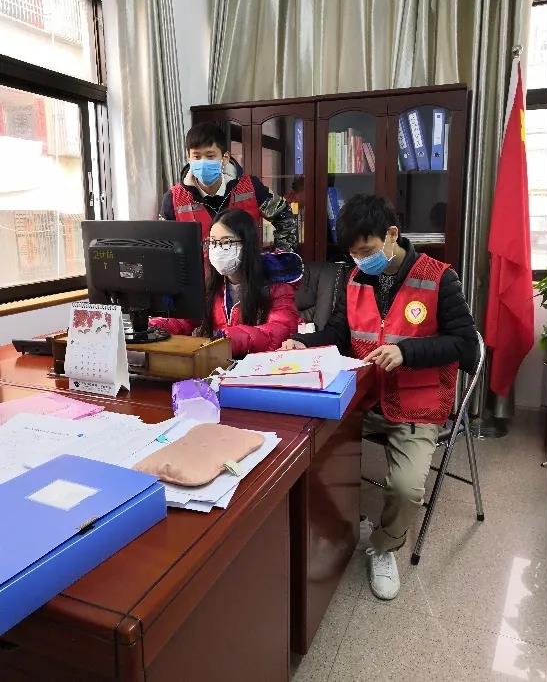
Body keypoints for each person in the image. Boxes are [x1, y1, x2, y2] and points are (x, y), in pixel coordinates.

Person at [281, 194, 477, 601]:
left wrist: (407, 352)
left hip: (416, 405)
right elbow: (340, 333)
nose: (360, 260)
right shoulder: (355, 279)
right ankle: (339, 524)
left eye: (366, 250)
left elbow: (464, 345)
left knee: (405, 489)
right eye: (353, 253)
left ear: (391, 234)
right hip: (366, 399)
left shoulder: (439, 278)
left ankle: (384, 546)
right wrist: (305, 343)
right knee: (307, 446)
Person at [151, 208, 302, 357]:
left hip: (259, 365)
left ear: (246, 245)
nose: (217, 249)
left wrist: (229, 338)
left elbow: (280, 329)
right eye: (212, 242)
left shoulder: (276, 285)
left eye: (226, 242)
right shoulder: (210, 284)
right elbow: (188, 320)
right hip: (218, 362)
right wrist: (152, 327)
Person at [160, 122, 297, 252]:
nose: (203, 162)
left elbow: (284, 215)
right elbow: (163, 243)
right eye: (196, 156)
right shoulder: (173, 199)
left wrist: (282, 256)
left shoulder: (251, 187)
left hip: (246, 268)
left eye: (210, 156)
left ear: (224, 157)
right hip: (197, 269)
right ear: (188, 158)